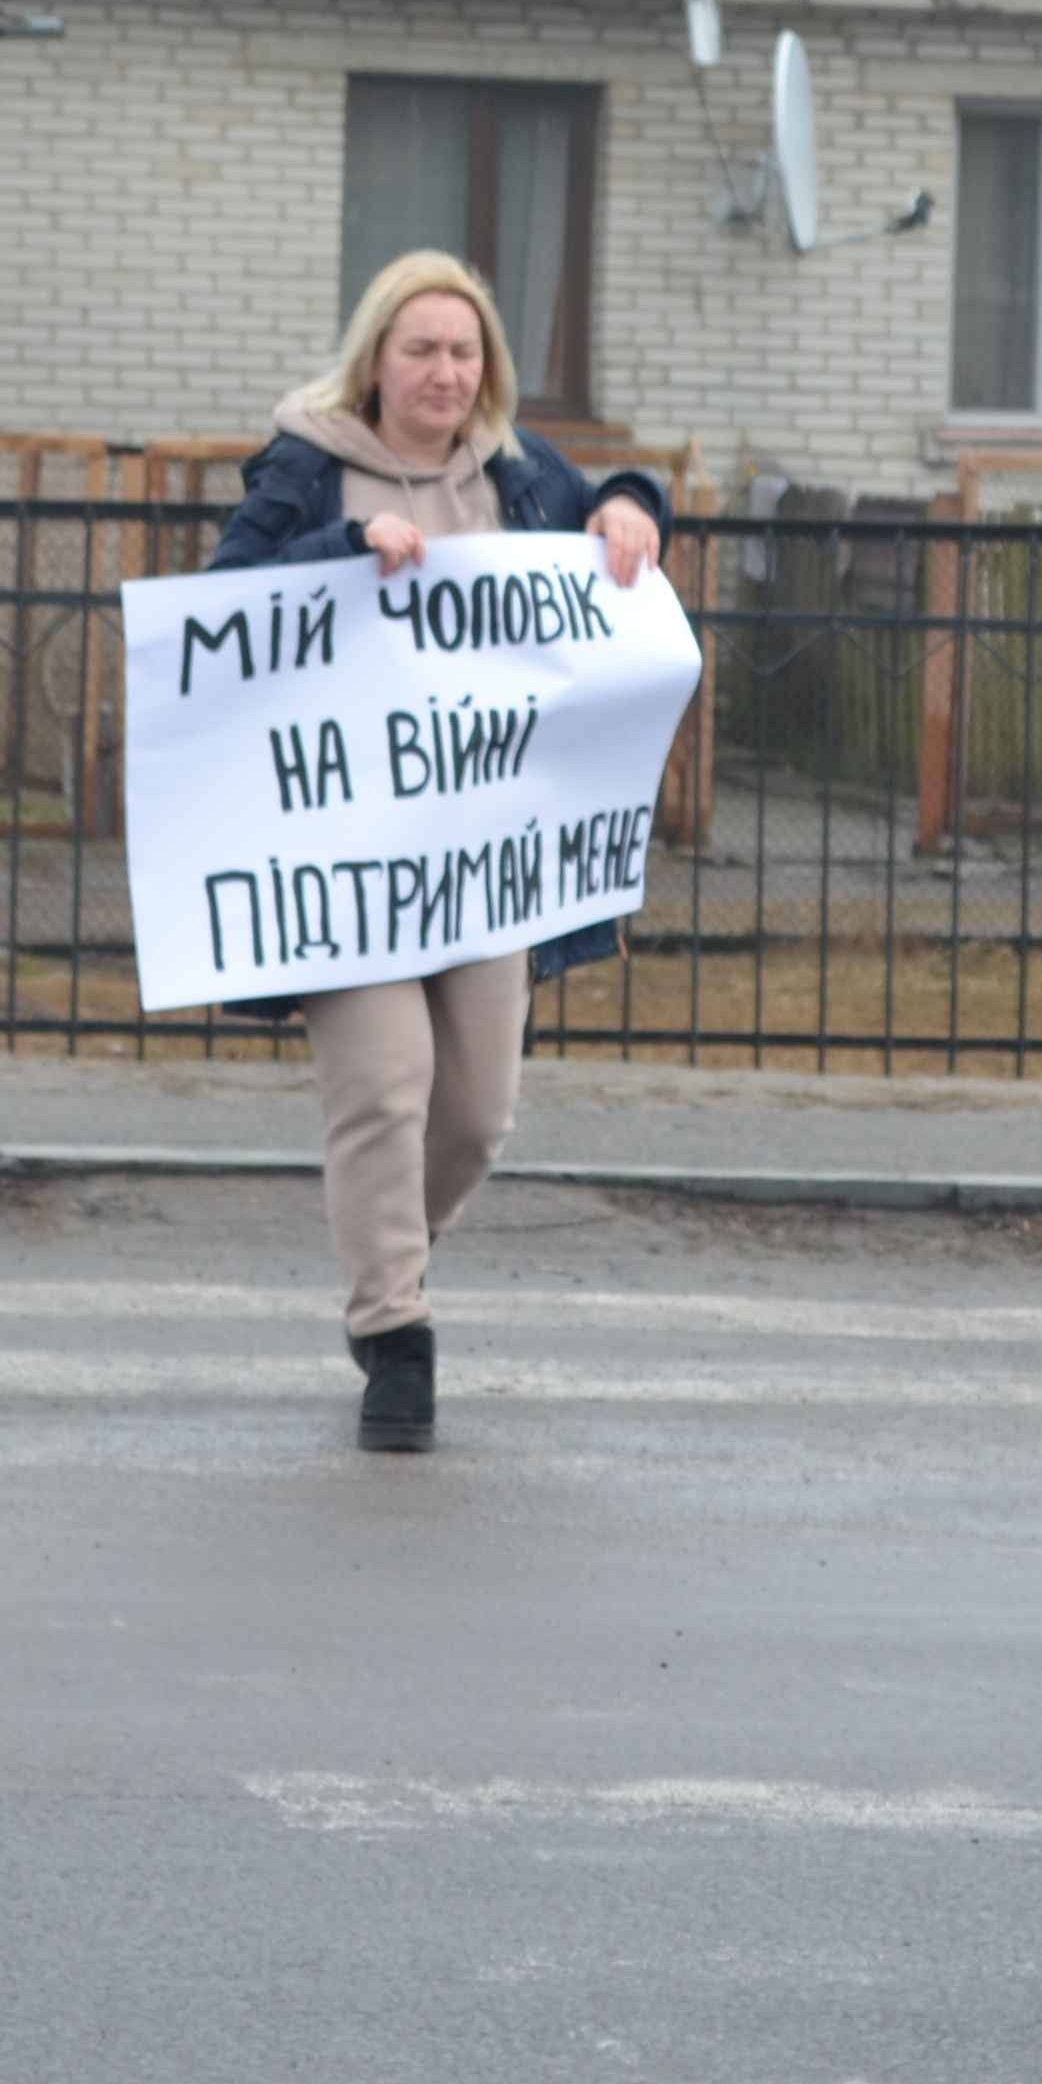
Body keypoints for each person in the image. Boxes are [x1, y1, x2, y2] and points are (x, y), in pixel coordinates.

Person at [211, 250, 668, 1455]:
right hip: (349, 857)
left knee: (476, 1110)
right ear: (375, 360)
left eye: (463, 352)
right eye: (420, 349)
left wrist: (631, 506)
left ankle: (383, 1254)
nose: (444, 372)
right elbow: (222, 598)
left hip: (481, 860)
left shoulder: (514, 470)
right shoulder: (307, 464)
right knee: (384, 1083)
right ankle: (393, 1335)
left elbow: (608, 509)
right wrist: (342, 550)